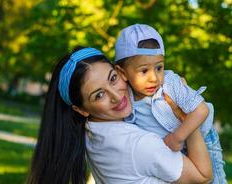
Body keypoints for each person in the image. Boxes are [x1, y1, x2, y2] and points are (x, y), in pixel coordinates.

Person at [27, 47, 212, 184]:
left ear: (121, 72)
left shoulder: (90, 131)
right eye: (99, 95)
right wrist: (185, 114)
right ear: (81, 109)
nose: (117, 96)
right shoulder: (138, 144)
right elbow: (203, 176)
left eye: (113, 79)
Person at [114, 24, 227, 183]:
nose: (154, 77)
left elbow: (201, 110)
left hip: (202, 139)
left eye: (159, 67)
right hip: (175, 154)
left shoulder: (170, 83)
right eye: (144, 71)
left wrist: (178, 136)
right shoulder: (127, 100)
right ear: (122, 73)